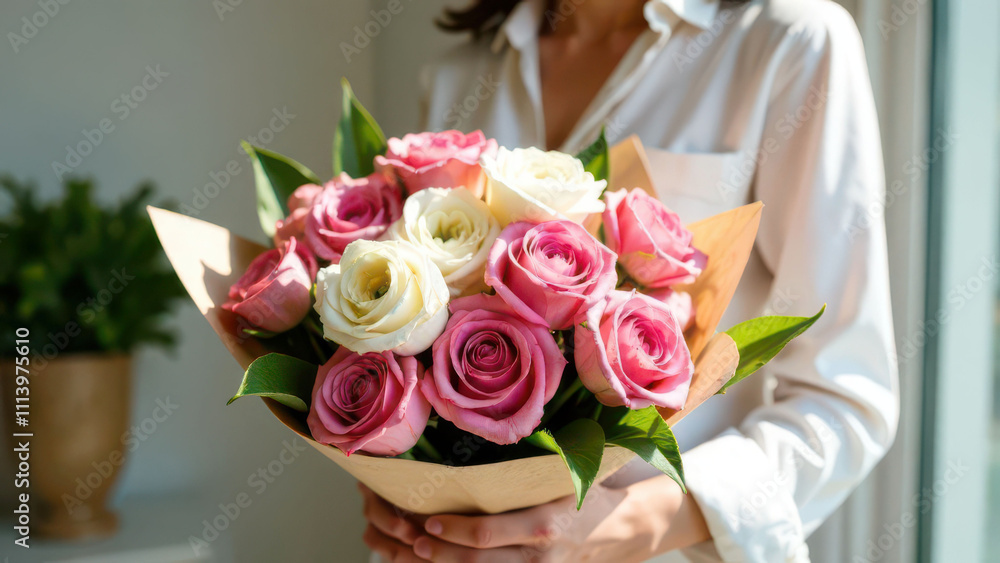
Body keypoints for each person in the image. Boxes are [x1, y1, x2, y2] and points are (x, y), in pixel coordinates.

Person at [361, 0, 899, 560]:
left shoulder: (787, 42)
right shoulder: (462, 72)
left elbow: (844, 397)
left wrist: (629, 526)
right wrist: (397, 482)